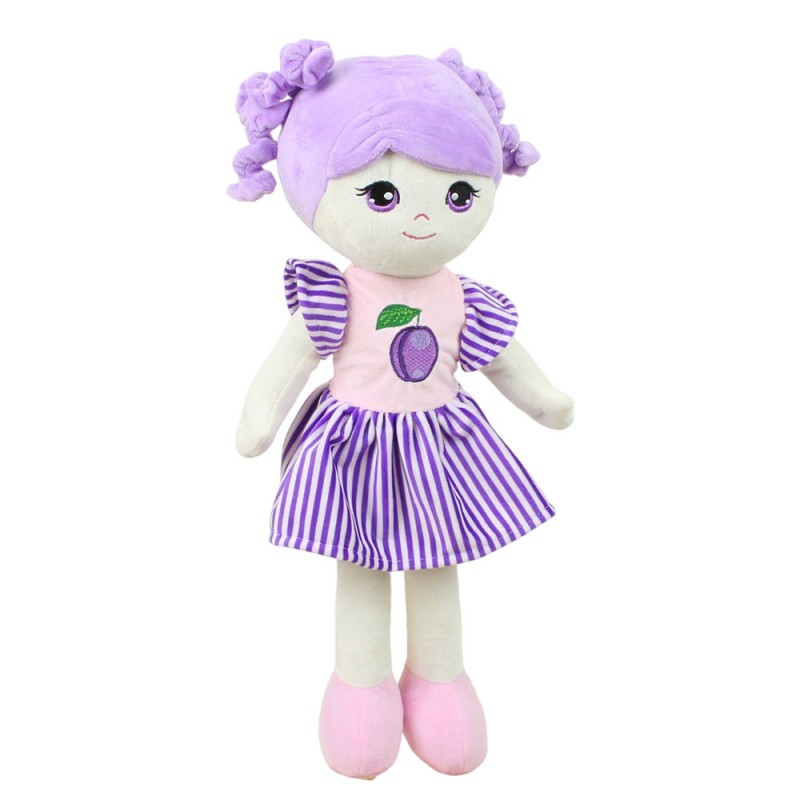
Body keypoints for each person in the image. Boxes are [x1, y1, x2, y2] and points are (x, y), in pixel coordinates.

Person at [230, 38, 574, 780]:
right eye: (382, 196)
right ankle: (361, 688)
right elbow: (290, 363)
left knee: (436, 564)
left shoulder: (464, 297)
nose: (422, 217)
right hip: (355, 449)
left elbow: (505, 362)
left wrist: (545, 400)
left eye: (458, 195)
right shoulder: (335, 294)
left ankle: (439, 680)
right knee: (360, 566)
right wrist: (259, 419)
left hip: (438, 452)